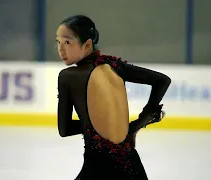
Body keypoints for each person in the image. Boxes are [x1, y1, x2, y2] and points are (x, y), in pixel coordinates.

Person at [56, 15, 171, 180]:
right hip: (131, 166)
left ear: (87, 44)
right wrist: (138, 122)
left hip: (98, 168)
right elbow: (162, 81)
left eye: (67, 42)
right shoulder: (115, 66)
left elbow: (64, 129)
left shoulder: (69, 76)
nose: (61, 49)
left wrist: (92, 127)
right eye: (58, 42)